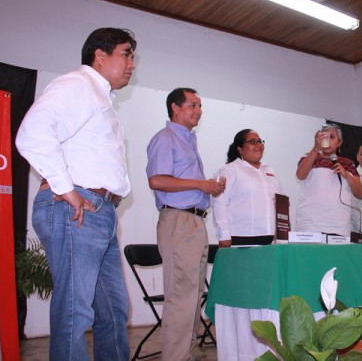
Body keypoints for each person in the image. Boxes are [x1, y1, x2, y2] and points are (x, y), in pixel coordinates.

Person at [15, 28, 137, 360]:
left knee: (113, 312)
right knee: (75, 311)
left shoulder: (100, 98)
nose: (132, 64)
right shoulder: (79, 85)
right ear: (101, 55)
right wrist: (65, 188)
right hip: (78, 207)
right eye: (126, 53)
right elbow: (33, 133)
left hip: (98, 211)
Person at [146, 87, 225, 361]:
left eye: (200, 106)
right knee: (181, 297)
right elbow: (157, 180)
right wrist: (200, 184)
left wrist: (208, 189)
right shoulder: (166, 138)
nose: (199, 110)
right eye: (193, 105)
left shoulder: (188, 140)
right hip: (179, 221)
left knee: (193, 296)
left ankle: (185, 355)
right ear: (175, 108)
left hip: (194, 221)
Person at [212, 129, 284, 247]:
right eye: (253, 142)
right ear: (240, 149)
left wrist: (283, 234)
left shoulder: (269, 170)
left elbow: (281, 204)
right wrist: (224, 234)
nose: (259, 145)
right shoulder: (230, 170)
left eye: (260, 141)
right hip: (241, 239)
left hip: (270, 240)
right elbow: (219, 202)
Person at [295, 123, 362, 236]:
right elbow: (300, 175)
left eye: (332, 137)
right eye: (324, 136)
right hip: (310, 225)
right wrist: (315, 149)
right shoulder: (308, 157)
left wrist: (346, 174)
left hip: (338, 227)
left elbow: (361, 194)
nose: (327, 140)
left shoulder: (348, 163)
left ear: (339, 142)